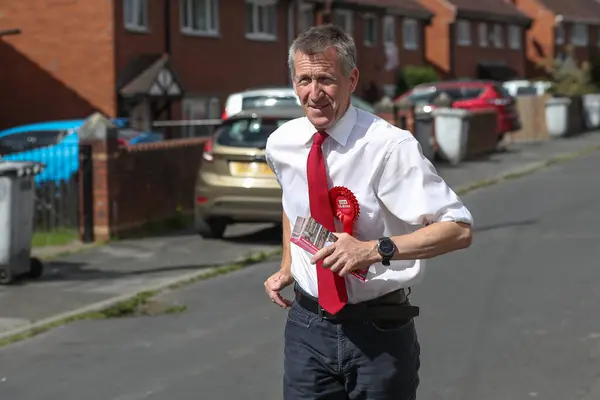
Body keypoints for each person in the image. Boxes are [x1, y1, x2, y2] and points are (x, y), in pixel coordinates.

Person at [264, 24, 473, 400]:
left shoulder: (390, 147)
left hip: (377, 329)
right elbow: (292, 204)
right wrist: (288, 265)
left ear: (352, 78)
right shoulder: (282, 144)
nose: (314, 94)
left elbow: (458, 229)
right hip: (307, 327)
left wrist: (374, 249)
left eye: (326, 79)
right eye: (304, 80)